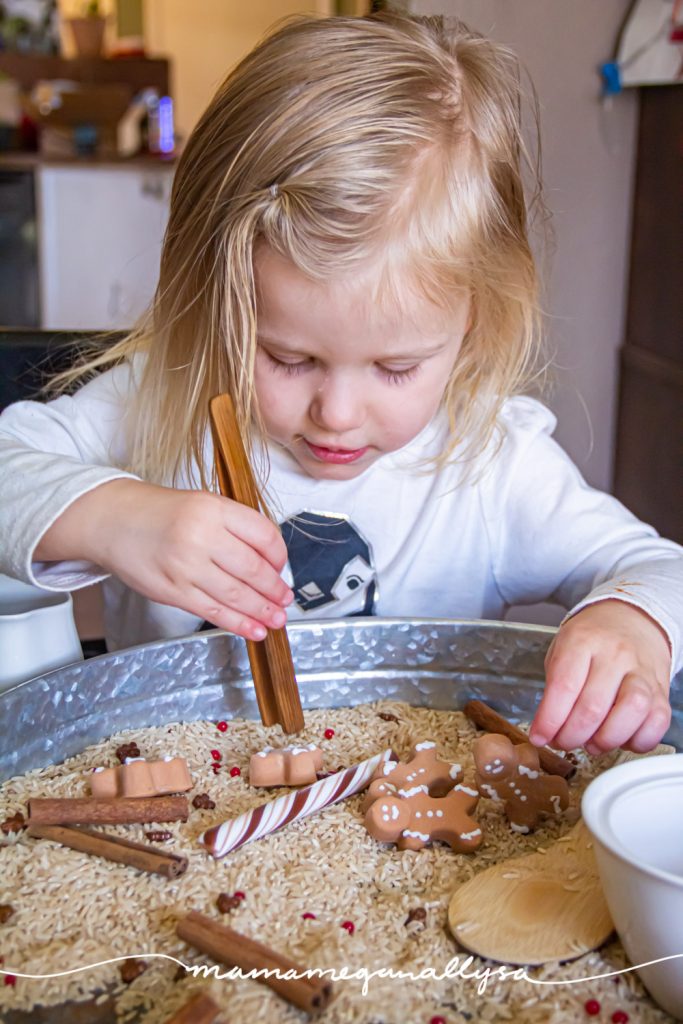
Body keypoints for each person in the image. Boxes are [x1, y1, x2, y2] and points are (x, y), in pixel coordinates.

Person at [0, 13, 681, 757]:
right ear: (209, 301)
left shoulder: (493, 465)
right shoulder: (164, 399)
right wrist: (116, 516)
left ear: (473, 324)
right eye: (287, 359)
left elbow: (659, 568)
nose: (337, 414)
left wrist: (631, 621)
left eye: (396, 368)